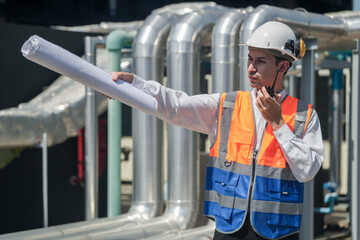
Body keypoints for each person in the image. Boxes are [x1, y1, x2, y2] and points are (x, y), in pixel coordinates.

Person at [110, 21, 324, 240]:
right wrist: (134, 87)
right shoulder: (226, 106)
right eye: (250, 59)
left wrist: (278, 124)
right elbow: (174, 105)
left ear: (282, 67)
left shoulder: (303, 115)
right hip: (229, 229)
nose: (251, 68)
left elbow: (307, 170)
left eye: (260, 61)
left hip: (277, 232)